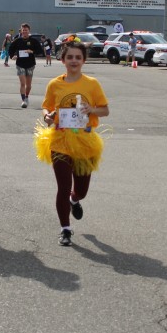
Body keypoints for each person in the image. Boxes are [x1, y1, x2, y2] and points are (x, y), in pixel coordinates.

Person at [34, 40, 110, 247]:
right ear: (63, 60)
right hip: (60, 140)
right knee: (63, 186)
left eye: (78, 57)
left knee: (81, 190)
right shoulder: (55, 84)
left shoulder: (92, 84)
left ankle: (74, 200)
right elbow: (46, 107)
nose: (74, 61)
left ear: (84, 60)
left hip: (85, 141)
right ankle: (65, 229)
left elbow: (105, 110)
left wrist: (91, 110)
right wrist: (47, 116)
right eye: (70, 57)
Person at [7, 23, 44, 108]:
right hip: (20, 64)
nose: (24, 32)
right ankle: (23, 100)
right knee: (22, 83)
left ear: (29, 31)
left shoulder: (33, 41)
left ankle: (26, 96)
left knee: (28, 85)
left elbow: (40, 51)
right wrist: (12, 56)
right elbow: (10, 49)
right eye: (23, 30)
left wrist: (32, 51)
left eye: (26, 30)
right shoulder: (17, 40)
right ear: (21, 31)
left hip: (30, 64)